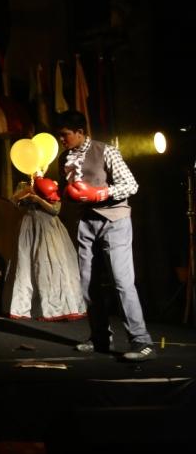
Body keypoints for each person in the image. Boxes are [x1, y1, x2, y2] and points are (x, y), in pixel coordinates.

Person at [55, 110, 155, 362]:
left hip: (114, 221)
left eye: (65, 135)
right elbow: (70, 192)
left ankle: (142, 342)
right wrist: (54, 193)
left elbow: (131, 185)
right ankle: (100, 337)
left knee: (122, 282)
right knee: (87, 284)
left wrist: (100, 193)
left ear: (80, 132)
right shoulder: (65, 157)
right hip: (86, 222)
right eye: (59, 136)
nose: (62, 140)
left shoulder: (106, 150)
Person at [4, 179, 86, 321]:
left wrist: (38, 199)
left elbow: (55, 210)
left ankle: (55, 307)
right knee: (26, 264)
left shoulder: (50, 185)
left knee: (48, 262)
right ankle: (26, 306)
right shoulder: (25, 187)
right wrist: (26, 192)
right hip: (29, 227)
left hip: (48, 228)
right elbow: (13, 203)